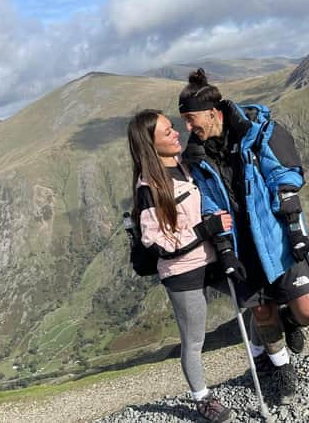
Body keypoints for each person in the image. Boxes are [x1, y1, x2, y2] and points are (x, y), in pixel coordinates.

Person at [179, 69, 309, 405]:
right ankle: (284, 372)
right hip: (242, 246)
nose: (187, 128)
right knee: (261, 312)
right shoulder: (196, 158)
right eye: (183, 120)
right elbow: (210, 205)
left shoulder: (260, 131)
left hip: (274, 237)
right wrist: (225, 249)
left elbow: (284, 176)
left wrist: (294, 226)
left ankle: (290, 320)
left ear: (213, 113)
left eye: (191, 119)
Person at [127, 109, 236, 423]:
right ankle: (203, 400)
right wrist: (205, 230)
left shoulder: (185, 166)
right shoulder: (148, 187)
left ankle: (263, 357)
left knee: (253, 299)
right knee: (194, 339)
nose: (176, 133)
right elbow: (157, 242)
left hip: (212, 258)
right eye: (167, 132)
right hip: (181, 271)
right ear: (150, 144)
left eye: (172, 127)